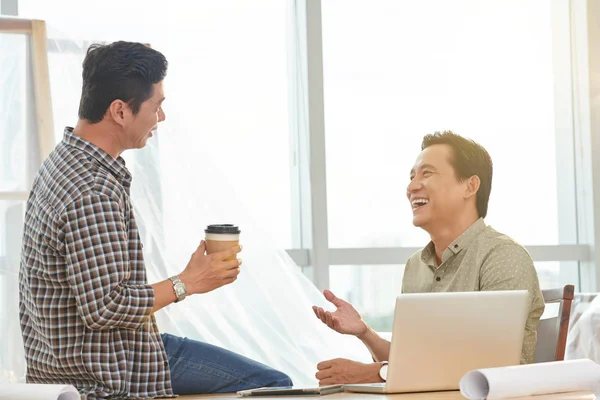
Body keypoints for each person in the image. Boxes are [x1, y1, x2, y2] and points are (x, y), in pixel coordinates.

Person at [18, 41, 291, 399]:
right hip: (109, 372)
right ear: (119, 110)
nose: (161, 119)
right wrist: (188, 282)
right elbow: (105, 307)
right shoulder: (92, 190)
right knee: (275, 387)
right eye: (157, 106)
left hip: (72, 363)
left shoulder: (64, 160)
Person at [312, 131, 545, 385]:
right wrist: (364, 332)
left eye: (427, 173)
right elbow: (413, 362)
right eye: (411, 177)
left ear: (470, 186)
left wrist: (377, 373)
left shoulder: (503, 256)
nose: (411, 187)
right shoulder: (415, 266)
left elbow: (491, 365)